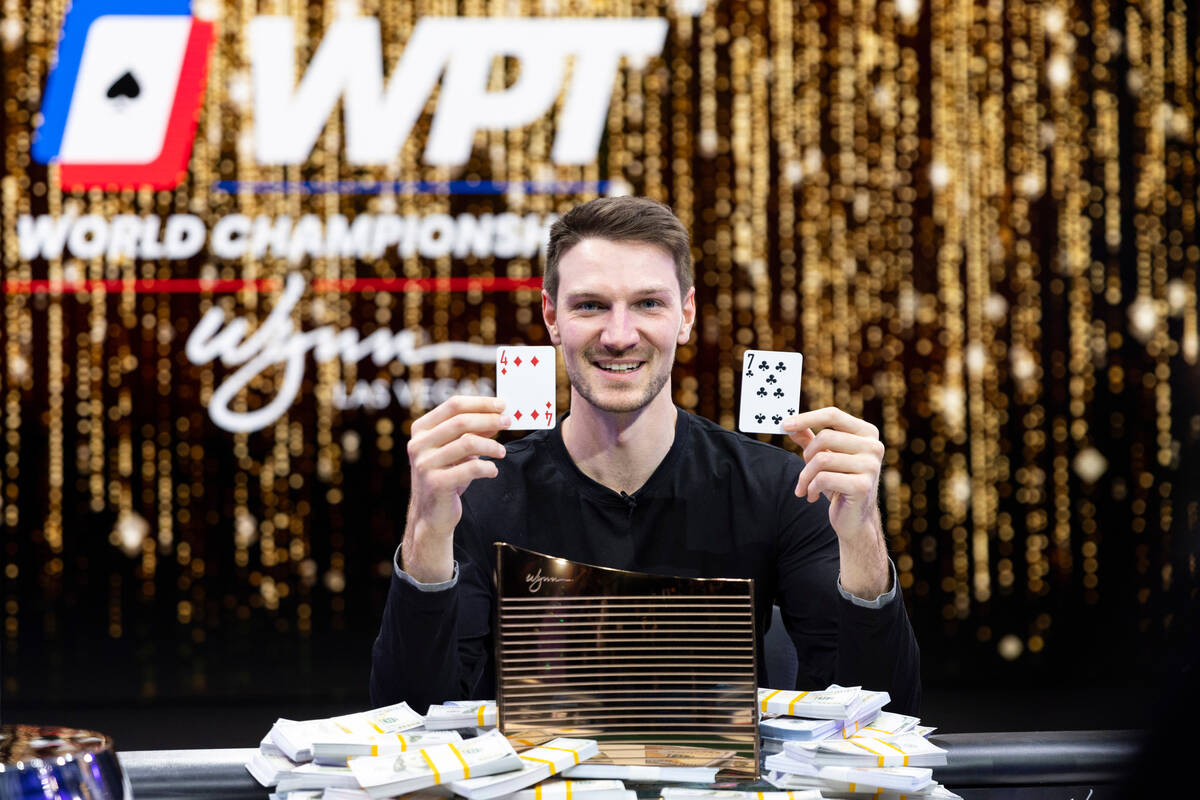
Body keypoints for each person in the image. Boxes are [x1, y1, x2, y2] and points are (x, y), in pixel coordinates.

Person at [371, 196, 920, 715]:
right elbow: (413, 718)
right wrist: (425, 534)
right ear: (551, 316)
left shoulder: (786, 487)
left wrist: (862, 538)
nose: (618, 334)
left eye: (647, 304)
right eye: (590, 305)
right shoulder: (479, 490)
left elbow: (882, 718)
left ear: (684, 317)